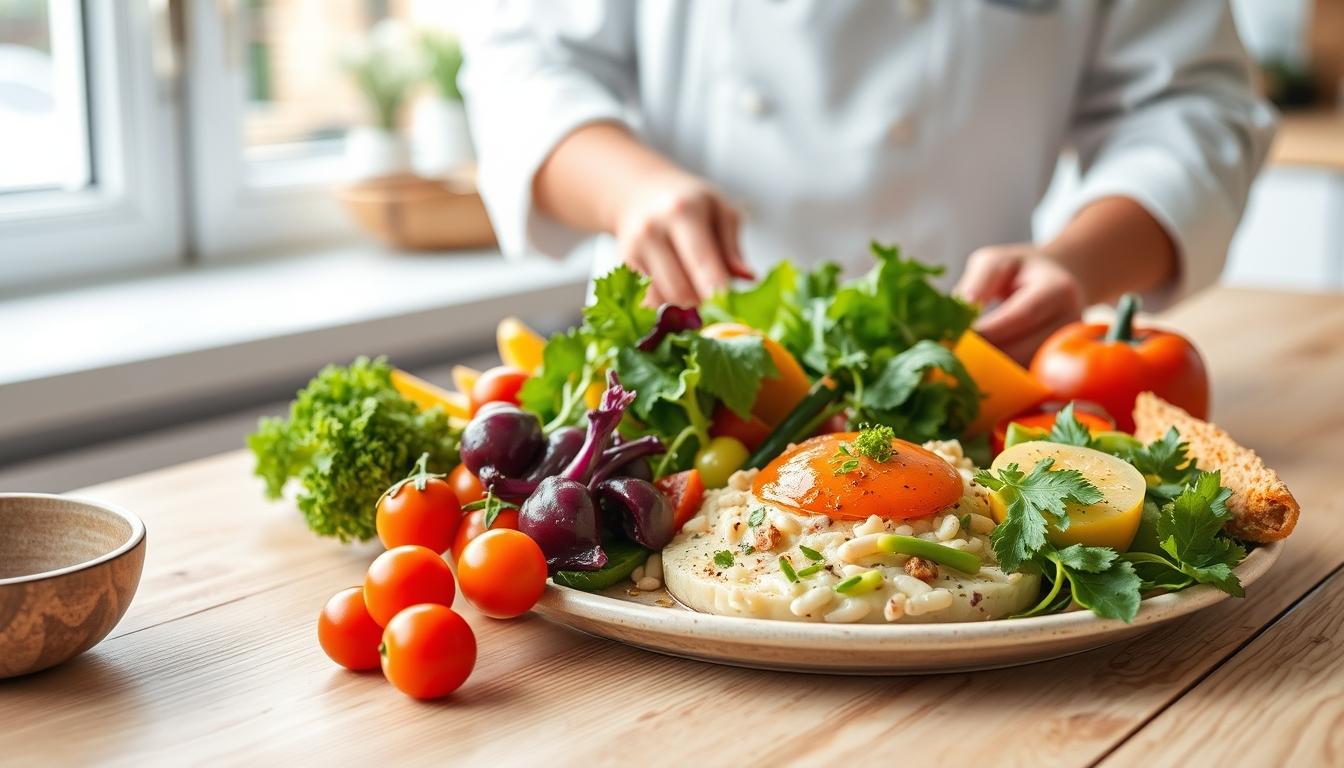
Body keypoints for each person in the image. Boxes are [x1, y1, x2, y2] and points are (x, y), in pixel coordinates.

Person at [459, 1, 1275, 362]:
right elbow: (521, 62)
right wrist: (629, 190)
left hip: (969, 362)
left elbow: (1193, 106)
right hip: (679, 361)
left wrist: (1081, 263)